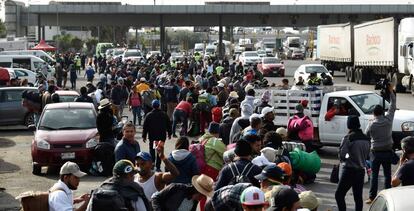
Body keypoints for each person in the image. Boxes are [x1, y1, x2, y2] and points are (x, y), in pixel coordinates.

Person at [365, 85, 396, 204]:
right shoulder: (388, 120)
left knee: (374, 175)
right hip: (387, 151)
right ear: (383, 112)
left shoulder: (372, 124)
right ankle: (388, 195)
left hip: (375, 153)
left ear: (374, 114)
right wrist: (391, 92)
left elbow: (366, 134)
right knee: (387, 175)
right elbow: (393, 105)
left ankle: (372, 197)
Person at [335, 116, 370, 211]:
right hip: (361, 171)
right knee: (358, 198)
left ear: (349, 125)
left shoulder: (348, 138)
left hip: (349, 171)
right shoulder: (366, 139)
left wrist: (347, 157)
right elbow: (367, 156)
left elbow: (342, 155)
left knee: (339, 195)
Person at [142, 99, 172, 171]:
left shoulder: (149, 115)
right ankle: (158, 167)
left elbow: (145, 126)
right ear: (159, 106)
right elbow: (169, 125)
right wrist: (170, 133)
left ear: (152, 106)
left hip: (153, 137)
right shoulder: (164, 114)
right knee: (160, 150)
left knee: (152, 150)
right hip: (161, 137)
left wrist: (144, 136)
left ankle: (152, 164)